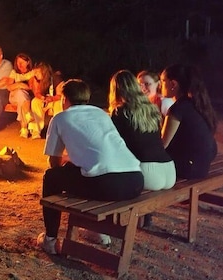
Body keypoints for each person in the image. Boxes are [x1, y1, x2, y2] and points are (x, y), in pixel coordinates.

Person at [37, 79, 143, 254]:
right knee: (84, 173)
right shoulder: (101, 114)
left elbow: (54, 163)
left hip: (107, 184)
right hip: (135, 180)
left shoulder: (61, 118)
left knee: (51, 177)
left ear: (64, 99)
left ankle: (50, 239)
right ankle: (99, 232)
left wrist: (66, 163)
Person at [108, 70, 176, 190]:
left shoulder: (121, 111)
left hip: (147, 171)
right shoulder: (151, 108)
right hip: (169, 169)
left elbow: (114, 144)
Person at [160, 64, 218, 179]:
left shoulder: (178, 109)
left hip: (188, 169)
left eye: (162, 81)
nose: (160, 85)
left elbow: (163, 144)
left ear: (173, 84)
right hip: (202, 166)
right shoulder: (197, 104)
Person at [7, 53, 39, 138]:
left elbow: (31, 87)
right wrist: (19, 85)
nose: (19, 64)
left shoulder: (32, 73)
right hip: (14, 96)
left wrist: (21, 86)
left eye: (22, 62)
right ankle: (27, 115)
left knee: (22, 100)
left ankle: (24, 129)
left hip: (27, 98)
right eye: (18, 62)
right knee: (20, 93)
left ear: (28, 62)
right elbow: (9, 87)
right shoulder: (14, 72)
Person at [29, 62, 63, 140]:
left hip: (55, 100)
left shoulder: (56, 78)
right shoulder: (39, 80)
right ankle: (36, 131)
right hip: (46, 101)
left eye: (37, 72)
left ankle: (58, 132)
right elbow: (37, 93)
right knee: (35, 101)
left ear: (44, 72)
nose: (35, 74)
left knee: (58, 104)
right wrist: (42, 98)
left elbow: (60, 95)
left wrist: (51, 99)